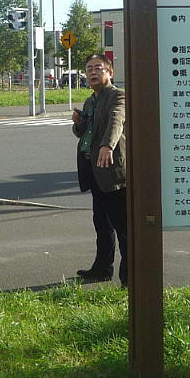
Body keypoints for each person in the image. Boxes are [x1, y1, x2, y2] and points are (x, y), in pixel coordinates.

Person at [71, 53, 128, 287]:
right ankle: (102, 269)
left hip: (113, 171)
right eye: (89, 69)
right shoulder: (90, 101)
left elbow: (116, 122)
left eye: (98, 68)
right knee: (101, 224)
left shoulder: (118, 96)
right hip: (94, 169)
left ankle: (130, 276)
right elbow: (85, 133)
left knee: (123, 227)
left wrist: (108, 146)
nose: (93, 72)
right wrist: (79, 123)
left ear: (110, 72)